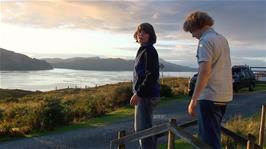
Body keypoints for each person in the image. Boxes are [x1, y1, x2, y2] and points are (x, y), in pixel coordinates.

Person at [183, 11, 233, 149]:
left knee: (208, 143)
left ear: (197, 26)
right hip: (224, 96)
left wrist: (193, 100)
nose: (192, 35)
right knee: (214, 137)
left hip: (210, 97)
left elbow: (204, 72)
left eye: (191, 31)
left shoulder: (205, 41)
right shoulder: (222, 39)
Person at [130, 23, 160, 149]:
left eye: (145, 32)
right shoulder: (143, 50)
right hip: (145, 96)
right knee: (143, 132)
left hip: (146, 97)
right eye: (139, 32)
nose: (141, 34)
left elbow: (152, 75)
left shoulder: (149, 50)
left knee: (144, 133)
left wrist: (139, 94)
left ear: (150, 35)